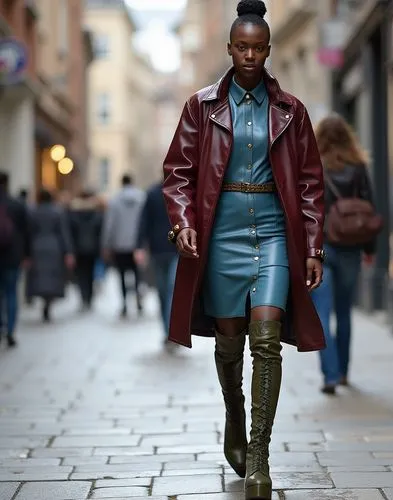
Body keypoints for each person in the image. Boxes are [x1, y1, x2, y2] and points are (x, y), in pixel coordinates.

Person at [162, 1, 325, 498]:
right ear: (229, 48)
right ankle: (235, 409)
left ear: (269, 50)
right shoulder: (201, 106)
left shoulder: (291, 111)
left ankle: (259, 455)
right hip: (221, 238)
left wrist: (314, 244)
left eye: (258, 48)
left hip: (275, 234)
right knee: (230, 341)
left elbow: (312, 182)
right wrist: (184, 222)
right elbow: (178, 174)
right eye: (242, 46)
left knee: (267, 338)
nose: (250, 55)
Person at [311, 113, 376, 394]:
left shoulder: (314, 166)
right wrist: (370, 249)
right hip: (351, 247)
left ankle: (330, 375)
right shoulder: (359, 167)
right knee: (345, 312)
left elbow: (308, 210)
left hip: (321, 247)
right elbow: (369, 210)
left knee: (322, 313)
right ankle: (345, 373)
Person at [135, 180, 178, 347]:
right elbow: (144, 221)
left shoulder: (177, 190)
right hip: (160, 250)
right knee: (163, 291)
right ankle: (168, 331)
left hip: (173, 250)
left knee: (170, 289)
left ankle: (171, 332)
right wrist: (139, 246)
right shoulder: (153, 193)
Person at [26, 189, 75, 322]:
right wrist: (68, 252)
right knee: (53, 277)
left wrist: (26, 253)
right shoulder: (57, 212)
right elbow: (64, 233)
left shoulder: (33, 212)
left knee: (40, 277)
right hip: (54, 248)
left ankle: (44, 300)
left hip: (37, 247)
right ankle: (49, 301)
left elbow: (29, 233)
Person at [101, 174, 145, 318]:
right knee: (137, 273)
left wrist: (106, 244)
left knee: (121, 276)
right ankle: (138, 296)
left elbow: (109, 224)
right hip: (137, 244)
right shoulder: (142, 198)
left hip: (119, 245)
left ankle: (125, 304)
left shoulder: (114, 200)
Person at [0, 172, 31, 346]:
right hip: (12, 257)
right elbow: (26, 233)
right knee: (11, 293)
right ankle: (10, 330)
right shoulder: (17, 205)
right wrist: (26, 254)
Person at [69, 189, 103, 311]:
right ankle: (89, 298)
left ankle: (83, 297)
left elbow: (70, 233)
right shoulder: (96, 213)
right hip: (92, 248)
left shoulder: (73, 213)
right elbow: (100, 232)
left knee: (81, 274)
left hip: (78, 249)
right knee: (90, 274)